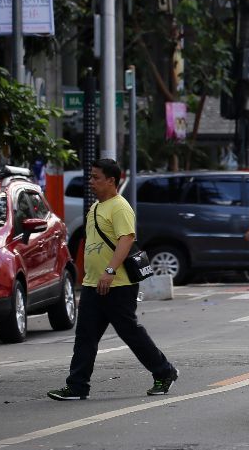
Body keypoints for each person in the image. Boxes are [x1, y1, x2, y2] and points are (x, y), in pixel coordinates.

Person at [48, 159, 178, 401]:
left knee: (130, 333)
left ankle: (165, 372)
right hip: (92, 284)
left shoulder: (119, 207)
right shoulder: (97, 208)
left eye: (96, 177)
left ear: (111, 180)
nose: (91, 182)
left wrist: (109, 271)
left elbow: (126, 240)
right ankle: (77, 386)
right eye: (91, 177)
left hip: (118, 284)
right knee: (85, 335)